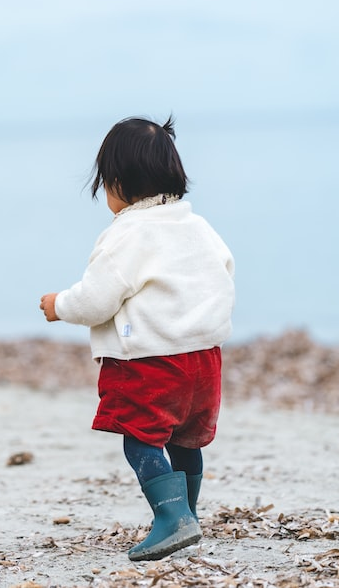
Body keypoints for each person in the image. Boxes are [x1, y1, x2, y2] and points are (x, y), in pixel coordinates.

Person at [39, 116, 235, 561]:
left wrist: (59, 305)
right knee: (185, 440)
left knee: (140, 437)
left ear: (118, 184)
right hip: (205, 360)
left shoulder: (125, 235)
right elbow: (224, 278)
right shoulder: (200, 228)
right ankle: (188, 512)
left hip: (149, 361)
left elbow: (96, 300)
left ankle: (172, 517)